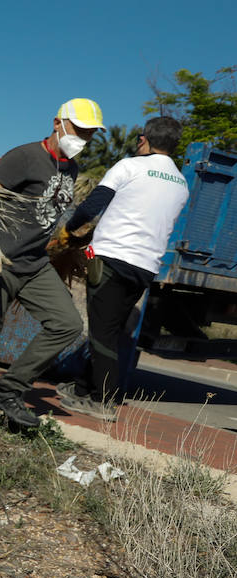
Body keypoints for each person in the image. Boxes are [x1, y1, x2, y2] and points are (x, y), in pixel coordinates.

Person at [0, 99, 103, 430]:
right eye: (78, 130)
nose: (83, 139)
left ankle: (6, 391)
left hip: (35, 264)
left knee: (68, 324)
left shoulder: (70, 168)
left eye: (89, 134)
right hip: (0, 261)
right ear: (57, 123)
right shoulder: (26, 156)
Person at [56, 116, 189, 421]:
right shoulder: (181, 183)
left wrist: (69, 230)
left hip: (111, 259)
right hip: (145, 267)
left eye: (140, 137)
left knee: (102, 332)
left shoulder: (129, 166)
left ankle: (103, 401)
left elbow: (91, 206)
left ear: (145, 139)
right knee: (111, 328)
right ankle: (82, 388)